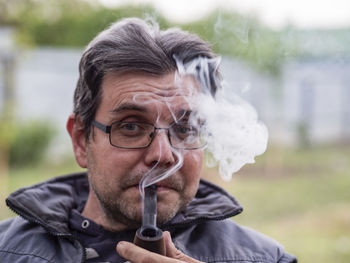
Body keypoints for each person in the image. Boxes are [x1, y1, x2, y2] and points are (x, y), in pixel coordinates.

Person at [0, 18, 297, 263]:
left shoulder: (265, 258)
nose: (163, 155)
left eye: (185, 129)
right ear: (80, 140)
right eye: (131, 126)